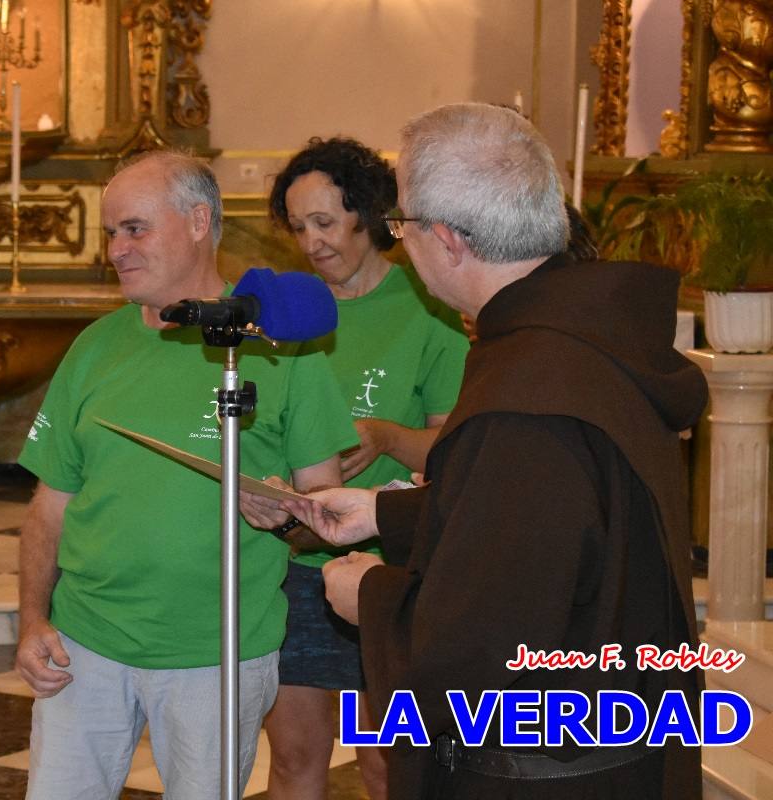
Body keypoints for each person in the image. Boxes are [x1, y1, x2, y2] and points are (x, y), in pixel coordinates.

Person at [282, 103, 706, 798]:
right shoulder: (579, 343)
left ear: (446, 239)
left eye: (403, 225)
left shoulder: (524, 394)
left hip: (544, 769)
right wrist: (383, 517)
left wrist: (370, 593)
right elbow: (550, 528)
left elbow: (478, 648)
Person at [15, 149, 358, 800]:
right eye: (111, 233)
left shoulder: (279, 348)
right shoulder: (94, 347)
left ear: (199, 222)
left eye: (135, 229)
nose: (117, 249)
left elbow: (328, 502)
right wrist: (33, 621)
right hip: (86, 643)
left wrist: (287, 510)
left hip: (218, 652)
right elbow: (48, 504)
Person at [260, 137, 468, 800]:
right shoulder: (287, 314)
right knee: (294, 757)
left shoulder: (428, 306)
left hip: (390, 568)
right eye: (298, 228)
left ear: (369, 215)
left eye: (325, 222)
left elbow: (456, 456)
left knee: (387, 766)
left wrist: (382, 437)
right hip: (294, 567)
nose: (312, 242)